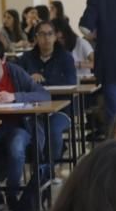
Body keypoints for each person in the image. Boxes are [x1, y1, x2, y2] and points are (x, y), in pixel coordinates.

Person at [0, 38, 51, 211]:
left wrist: (15, 96)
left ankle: (12, 192)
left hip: (19, 126)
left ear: (3, 60)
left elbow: (43, 95)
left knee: (16, 147)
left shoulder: (15, 72)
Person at [16, 20, 74, 167]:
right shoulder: (26, 58)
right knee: (31, 130)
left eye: (50, 34)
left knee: (52, 130)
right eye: (42, 34)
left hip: (60, 109)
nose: (46, 38)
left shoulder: (65, 57)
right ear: (35, 37)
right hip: (33, 110)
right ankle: (38, 168)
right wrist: (30, 78)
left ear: (55, 37)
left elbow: (70, 83)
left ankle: (49, 169)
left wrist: (41, 82)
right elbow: (17, 82)